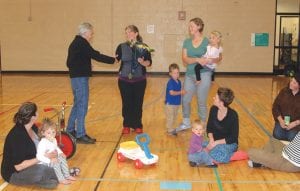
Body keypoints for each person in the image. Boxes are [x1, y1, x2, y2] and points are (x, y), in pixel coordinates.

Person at [66, 22, 116, 144]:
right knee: (82, 106)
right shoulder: (82, 43)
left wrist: (84, 64)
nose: (92, 35)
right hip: (80, 79)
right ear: (85, 32)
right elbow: (95, 55)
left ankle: (70, 130)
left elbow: (70, 62)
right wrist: (113, 60)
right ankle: (80, 134)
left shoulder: (75, 43)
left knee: (77, 104)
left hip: (75, 78)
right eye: (91, 33)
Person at [176, 17, 222, 132]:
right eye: (189, 26)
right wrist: (197, 59)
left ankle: (203, 124)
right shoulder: (187, 42)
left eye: (192, 26)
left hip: (204, 74)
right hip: (190, 74)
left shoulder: (207, 41)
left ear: (199, 27)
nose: (189, 28)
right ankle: (186, 122)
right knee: (185, 99)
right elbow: (185, 59)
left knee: (201, 101)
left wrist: (210, 60)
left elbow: (219, 56)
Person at [1, 102, 59, 189]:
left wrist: (52, 152)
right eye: (37, 112)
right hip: (15, 173)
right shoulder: (17, 136)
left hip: (32, 163)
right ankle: (59, 174)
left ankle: (55, 175)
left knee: (57, 160)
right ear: (33, 117)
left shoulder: (33, 127)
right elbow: (18, 166)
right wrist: (44, 157)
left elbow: (44, 143)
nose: (38, 114)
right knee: (42, 170)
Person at [115, 25, 152, 134]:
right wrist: (114, 59)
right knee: (126, 103)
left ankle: (137, 125)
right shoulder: (121, 46)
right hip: (124, 80)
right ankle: (126, 125)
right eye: (126, 33)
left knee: (138, 103)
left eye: (130, 32)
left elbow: (149, 62)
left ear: (136, 33)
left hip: (139, 80)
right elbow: (116, 60)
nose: (128, 35)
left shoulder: (144, 47)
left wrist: (143, 62)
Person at [37, 118, 76, 185]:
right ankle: (60, 179)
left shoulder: (54, 139)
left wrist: (61, 153)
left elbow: (56, 147)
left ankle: (67, 175)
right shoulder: (42, 143)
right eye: (48, 133)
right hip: (44, 162)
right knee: (56, 163)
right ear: (43, 133)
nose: (52, 134)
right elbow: (39, 157)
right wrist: (50, 161)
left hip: (53, 158)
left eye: (53, 132)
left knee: (62, 158)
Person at [205, 87, 239, 163]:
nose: (213, 98)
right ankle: (213, 155)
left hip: (228, 143)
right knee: (196, 147)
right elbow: (209, 128)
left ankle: (237, 155)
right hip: (214, 141)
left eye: (216, 97)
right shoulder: (213, 109)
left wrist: (215, 143)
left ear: (221, 103)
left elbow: (233, 138)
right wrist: (211, 141)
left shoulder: (233, 115)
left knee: (216, 153)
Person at [272, 73, 300, 141]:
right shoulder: (284, 91)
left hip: (296, 124)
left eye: (294, 83)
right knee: (277, 134)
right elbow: (275, 107)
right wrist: (281, 120)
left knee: (291, 137)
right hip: (283, 121)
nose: (291, 84)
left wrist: (295, 123)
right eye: (291, 81)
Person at [165, 63, 186, 136]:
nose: (176, 74)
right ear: (170, 74)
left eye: (177, 73)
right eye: (174, 73)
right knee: (170, 117)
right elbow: (171, 93)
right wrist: (181, 92)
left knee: (174, 116)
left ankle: (172, 128)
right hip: (170, 103)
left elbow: (179, 91)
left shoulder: (179, 81)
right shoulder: (170, 82)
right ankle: (169, 130)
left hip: (176, 103)